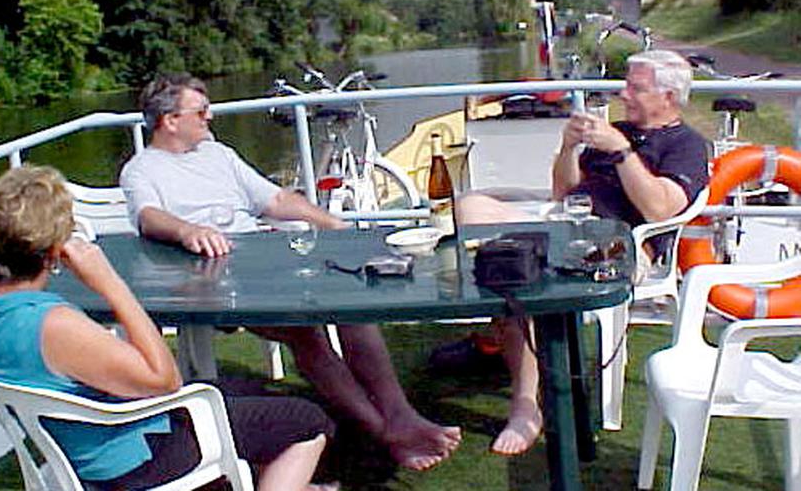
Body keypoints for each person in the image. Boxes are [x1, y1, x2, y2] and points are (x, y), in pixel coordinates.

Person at [120, 73, 462, 471]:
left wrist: (333, 225)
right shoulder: (142, 170)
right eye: (200, 111)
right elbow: (148, 216)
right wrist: (189, 231)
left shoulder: (218, 155)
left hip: (262, 259)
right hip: (212, 275)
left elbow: (276, 199)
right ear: (170, 120)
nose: (209, 118)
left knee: (353, 307)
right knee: (306, 331)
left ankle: (400, 413)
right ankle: (385, 432)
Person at [0, 165, 337, 491]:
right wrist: (111, 284)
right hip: (128, 463)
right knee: (308, 422)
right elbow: (164, 381)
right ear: (55, 251)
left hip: (71, 441)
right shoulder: (53, 325)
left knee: (246, 388)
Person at [457, 49, 709, 456]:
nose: (624, 94)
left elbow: (661, 208)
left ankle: (526, 405)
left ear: (669, 97)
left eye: (636, 88)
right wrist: (568, 148)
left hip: (620, 245)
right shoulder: (618, 129)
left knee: (518, 275)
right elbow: (563, 193)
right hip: (564, 224)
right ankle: (509, 312)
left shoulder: (687, 145)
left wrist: (622, 152)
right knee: (471, 208)